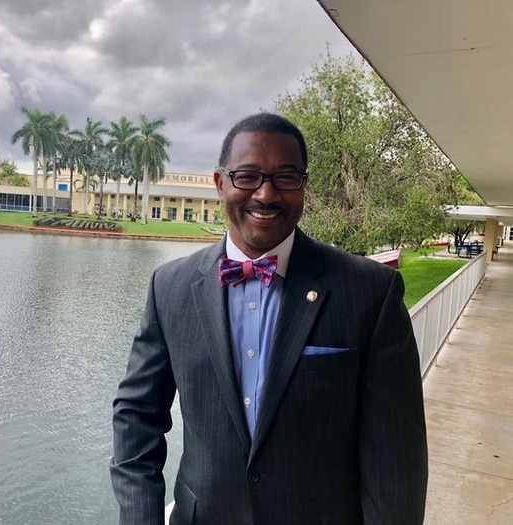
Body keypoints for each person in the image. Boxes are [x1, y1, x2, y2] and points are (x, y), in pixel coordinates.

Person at [110, 113, 427, 525]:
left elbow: (396, 453)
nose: (265, 194)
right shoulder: (169, 287)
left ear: (303, 186)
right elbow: (137, 416)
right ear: (220, 183)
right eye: (247, 176)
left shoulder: (370, 292)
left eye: (285, 177)